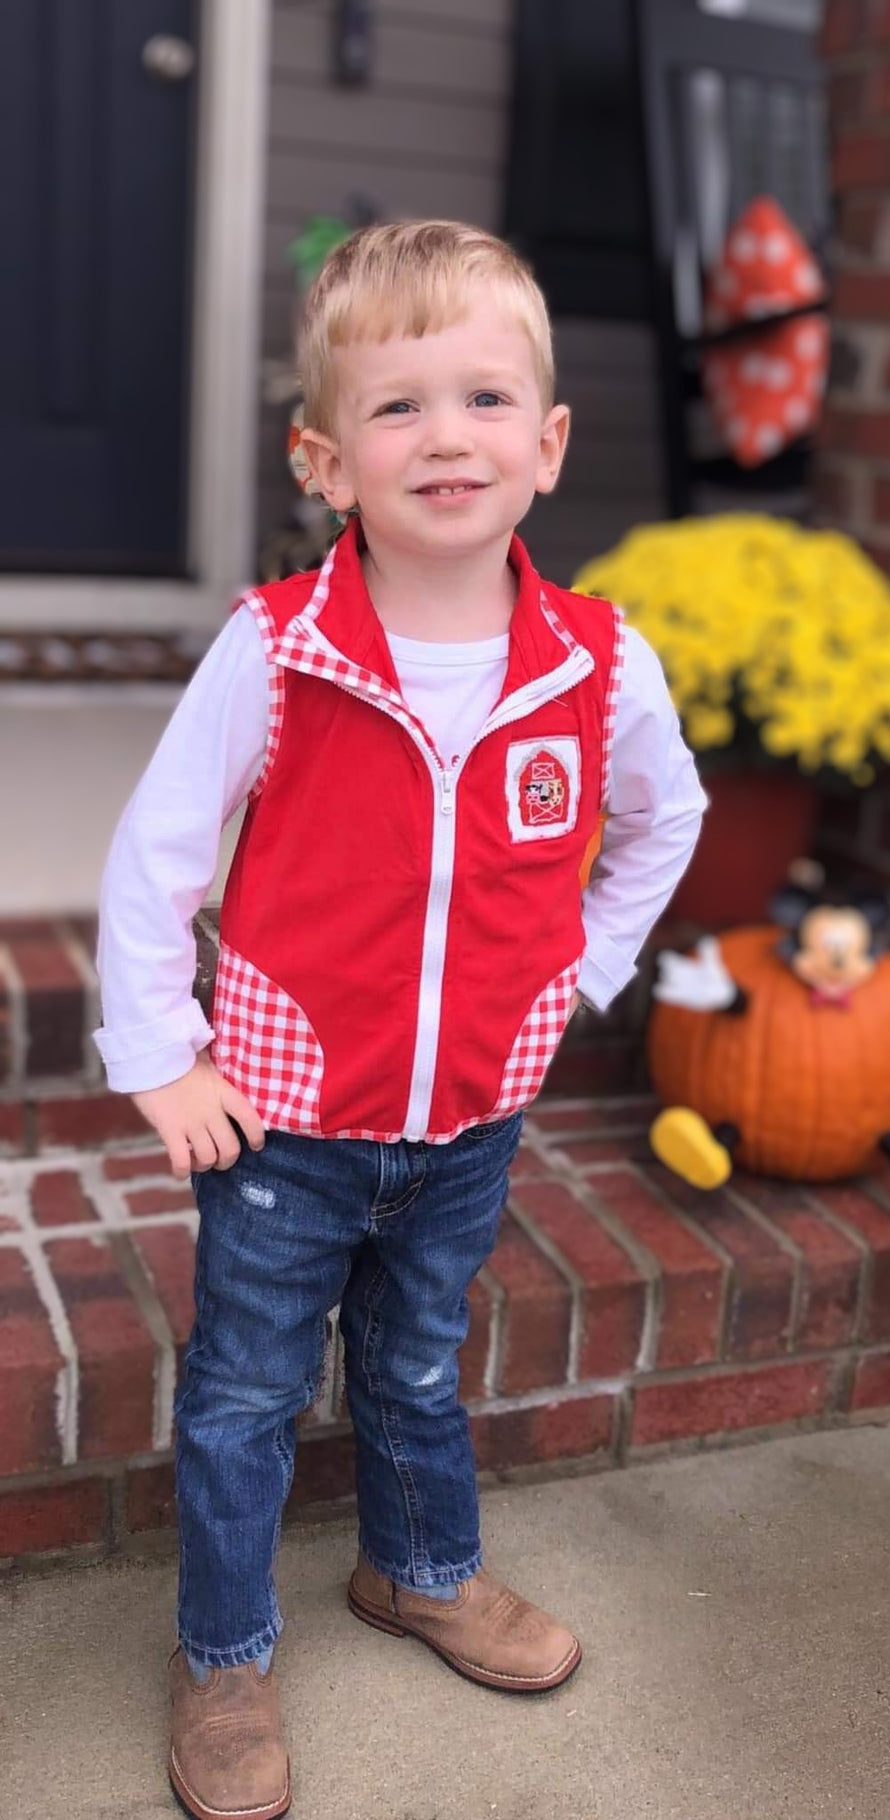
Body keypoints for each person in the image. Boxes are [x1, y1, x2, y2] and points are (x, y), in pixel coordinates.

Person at [94, 220, 706, 1820]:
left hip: (466, 1124)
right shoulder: (280, 650)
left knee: (418, 1371)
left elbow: (666, 820)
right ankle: (225, 1654)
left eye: (489, 398)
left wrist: (581, 972)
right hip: (288, 1121)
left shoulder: (593, 663)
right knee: (242, 1391)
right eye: (398, 407)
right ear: (325, 457)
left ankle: (420, 1569)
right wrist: (161, 1054)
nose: (449, 437)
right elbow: (157, 857)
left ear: (552, 442)